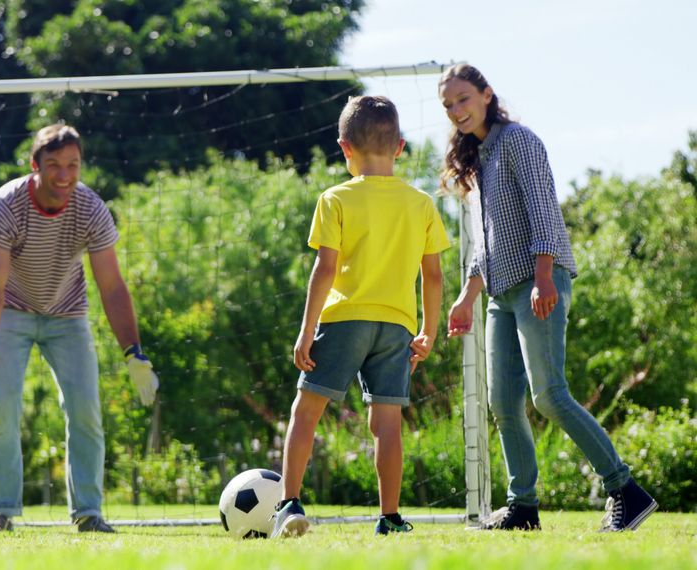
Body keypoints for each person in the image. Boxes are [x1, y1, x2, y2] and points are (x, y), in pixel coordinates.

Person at [440, 64, 657, 532]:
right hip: (500, 294)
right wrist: (465, 298)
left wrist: (544, 278)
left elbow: (543, 211)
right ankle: (523, 507)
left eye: (463, 99)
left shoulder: (518, 140)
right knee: (503, 402)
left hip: (540, 279)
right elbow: (486, 244)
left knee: (550, 396)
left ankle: (626, 490)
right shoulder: (478, 158)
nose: (457, 111)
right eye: (449, 105)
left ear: (486, 94)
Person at [0, 124, 159, 534]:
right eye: (54, 165)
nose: (65, 174)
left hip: (68, 314)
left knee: (86, 410)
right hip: (11, 311)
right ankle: (2, 513)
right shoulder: (4, 207)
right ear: (35, 165)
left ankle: (89, 513)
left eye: (73, 165)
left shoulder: (90, 208)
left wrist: (134, 353)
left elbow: (112, 286)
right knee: (3, 408)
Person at [271, 96, 450, 538]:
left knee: (306, 409)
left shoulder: (335, 198)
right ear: (400, 147)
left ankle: (289, 504)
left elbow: (325, 269)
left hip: (345, 318)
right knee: (386, 424)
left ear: (344, 147)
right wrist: (427, 331)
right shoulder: (422, 203)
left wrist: (305, 331)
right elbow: (433, 275)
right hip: (397, 325)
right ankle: (389, 518)